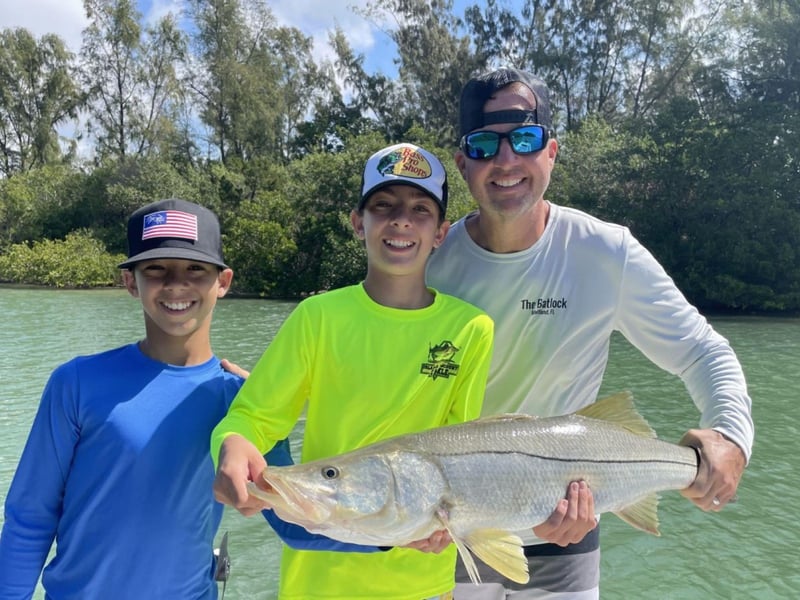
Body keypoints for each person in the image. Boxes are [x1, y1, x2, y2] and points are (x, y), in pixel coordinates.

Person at [425, 67, 754, 599]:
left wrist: (732, 435)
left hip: (570, 527)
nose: (505, 161)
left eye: (525, 140)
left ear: (551, 152)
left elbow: (701, 350)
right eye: (485, 146)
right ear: (463, 164)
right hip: (451, 532)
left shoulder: (607, 252)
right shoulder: (429, 260)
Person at [0, 198, 344, 599]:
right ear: (131, 282)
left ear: (223, 281)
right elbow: (30, 519)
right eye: (156, 269)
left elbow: (296, 525)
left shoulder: (241, 401)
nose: (176, 284)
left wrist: (407, 532)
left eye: (195, 269)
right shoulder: (76, 383)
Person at [211, 142, 495, 599]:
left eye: (420, 209)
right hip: (318, 580)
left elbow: (458, 450)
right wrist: (233, 445)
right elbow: (254, 416)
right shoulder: (317, 317)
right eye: (383, 206)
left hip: (423, 581)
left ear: (441, 232)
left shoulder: (471, 329)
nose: (401, 220)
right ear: (357, 222)